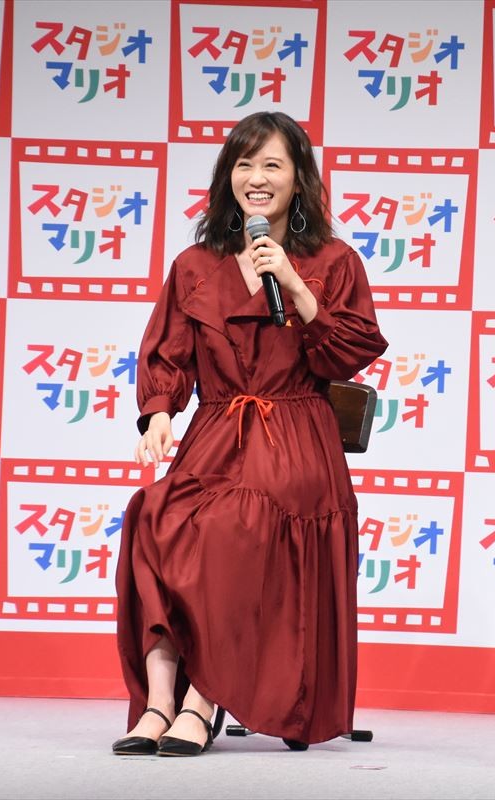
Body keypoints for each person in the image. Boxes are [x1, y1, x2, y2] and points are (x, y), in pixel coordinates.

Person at [110, 111, 388, 757]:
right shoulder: (195, 264)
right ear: (227, 176)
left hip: (294, 434)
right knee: (152, 515)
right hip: (217, 429)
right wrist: (159, 412)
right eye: (244, 164)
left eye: (272, 165)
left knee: (234, 523)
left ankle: (203, 700)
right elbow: (168, 353)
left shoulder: (333, 261)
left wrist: (292, 282)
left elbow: (350, 350)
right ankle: (159, 702)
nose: (257, 178)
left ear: (299, 178)